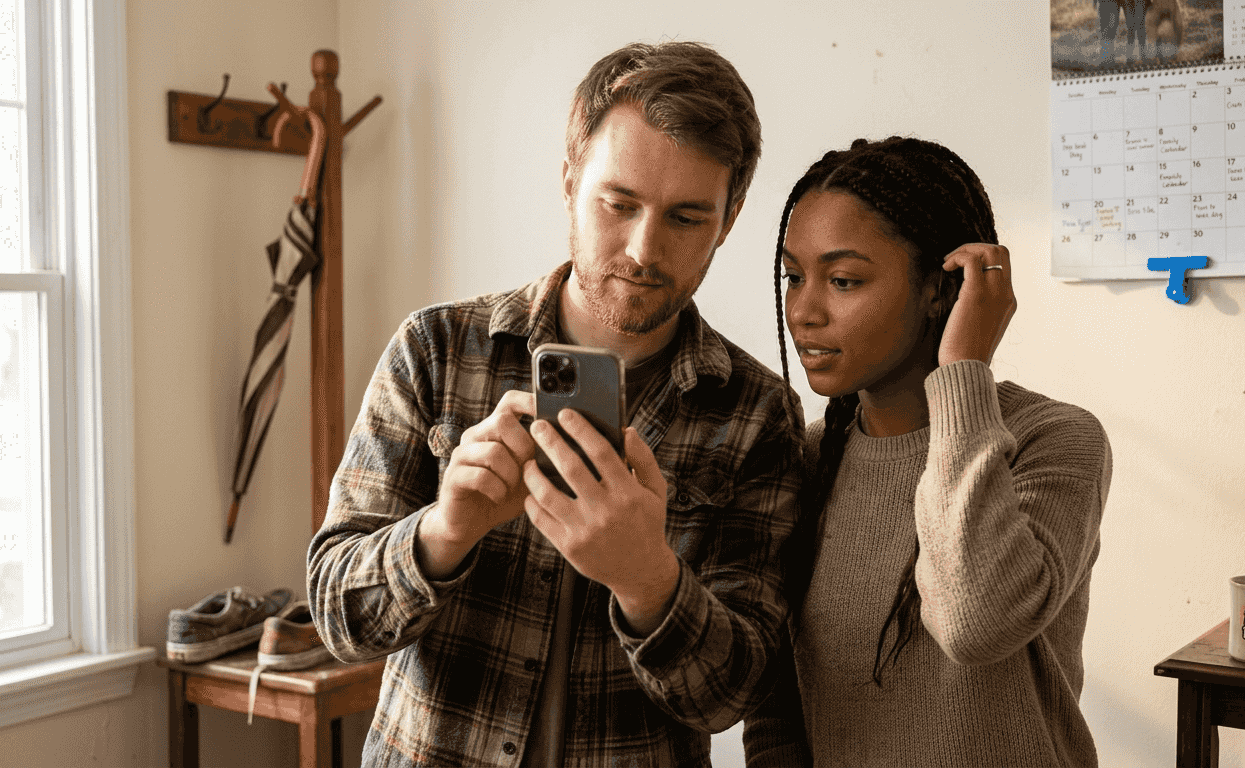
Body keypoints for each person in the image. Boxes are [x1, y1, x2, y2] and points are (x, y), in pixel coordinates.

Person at [308, 41, 801, 767]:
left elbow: (733, 695)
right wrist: (444, 533)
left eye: (687, 218)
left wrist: (645, 579)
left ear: (729, 220)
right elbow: (336, 618)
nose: (642, 248)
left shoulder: (759, 415)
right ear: (569, 180)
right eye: (619, 202)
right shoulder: (435, 349)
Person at [742, 137, 1112, 767]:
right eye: (793, 277)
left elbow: (977, 623)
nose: (803, 311)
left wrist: (965, 367)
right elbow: (776, 709)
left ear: (943, 289)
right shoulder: (805, 460)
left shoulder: (1055, 440)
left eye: (842, 280)